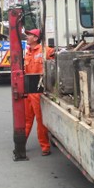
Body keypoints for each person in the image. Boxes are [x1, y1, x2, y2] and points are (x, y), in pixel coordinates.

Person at [24, 28, 55, 156]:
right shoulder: (28, 52)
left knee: (40, 120)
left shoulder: (45, 51)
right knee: (26, 120)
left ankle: (45, 146)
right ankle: (21, 144)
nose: (27, 37)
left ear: (36, 38)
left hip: (38, 91)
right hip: (28, 91)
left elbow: (54, 61)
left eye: (29, 35)